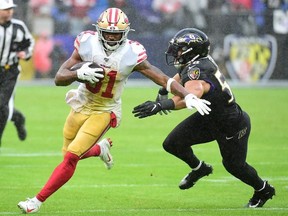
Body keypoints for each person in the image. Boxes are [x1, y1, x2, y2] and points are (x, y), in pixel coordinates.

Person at [17, 8, 211, 214]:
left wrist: (187, 95)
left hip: (105, 110)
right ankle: (100, 149)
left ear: (125, 33)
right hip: (81, 103)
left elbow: (162, 78)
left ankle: (36, 202)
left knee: (70, 158)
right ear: (99, 30)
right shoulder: (86, 42)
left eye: (116, 34)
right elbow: (59, 78)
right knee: (69, 154)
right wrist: (78, 74)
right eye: (107, 33)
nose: (110, 37)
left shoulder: (131, 53)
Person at [132, 28, 275, 208]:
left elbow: (191, 96)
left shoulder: (198, 71)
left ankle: (263, 190)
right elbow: (182, 74)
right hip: (209, 119)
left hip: (230, 125)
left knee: (234, 166)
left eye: (180, 49)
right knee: (172, 143)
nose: (175, 53)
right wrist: (163, 89)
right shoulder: (197, 62)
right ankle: (200, 168)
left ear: (191, 51)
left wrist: (161, 105)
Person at [0, 0, 34, 147]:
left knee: (1, 105)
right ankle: (17, 117)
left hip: (10, 71)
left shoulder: (18, 26)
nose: (9, 11)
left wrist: (25, 53)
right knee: (3, 108)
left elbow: (29, 43)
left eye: (10, 9)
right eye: (6, 9)